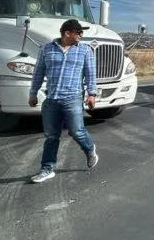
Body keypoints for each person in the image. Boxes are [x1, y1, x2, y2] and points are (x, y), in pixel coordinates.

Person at [27, 18, 100, 183]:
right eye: (78, 32)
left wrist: (92, 94)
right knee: (51, 136)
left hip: (72, 98)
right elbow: (38, 72)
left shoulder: (85, 51)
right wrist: (33, 93)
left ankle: (89, 149)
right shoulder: (46, 49)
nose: (81, 35)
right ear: (67, 33)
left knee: (77, 131)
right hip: (51, 99)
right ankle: (47, 169)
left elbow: (90, 74)